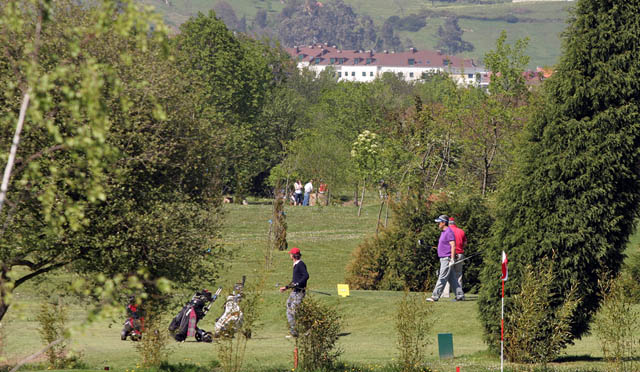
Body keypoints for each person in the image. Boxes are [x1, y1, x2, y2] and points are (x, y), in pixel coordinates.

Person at [426, 215, 464, 302]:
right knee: (452, 278)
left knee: (442, 277)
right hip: (443, 258)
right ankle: (459, 295)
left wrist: (452, 259)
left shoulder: (449, 232)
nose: (438, 224)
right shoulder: (443, 232)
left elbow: (453, 245)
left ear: (444, 223)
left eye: (439, 222)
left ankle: (435, 296)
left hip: (446, 259)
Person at [279, 247, 309, 337]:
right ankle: (294, 331)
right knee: (288, 306)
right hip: (294, 291)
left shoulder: (300, 264)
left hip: (299, 292)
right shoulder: (295, 264)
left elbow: (306, 276)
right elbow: (294, 280)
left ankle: (303, 329)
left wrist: (298, 284)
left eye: (290, 254)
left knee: (293, 311)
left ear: (293, 255)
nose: (290, 255)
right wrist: (287, 287)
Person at [448, 217, 467, 300]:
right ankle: (459, 293)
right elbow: (465, 243)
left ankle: (445, 294)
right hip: (460, 254)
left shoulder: (447, 231)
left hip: (449, 254)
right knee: (458, 275)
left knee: (447, 273)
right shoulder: (461, 231)